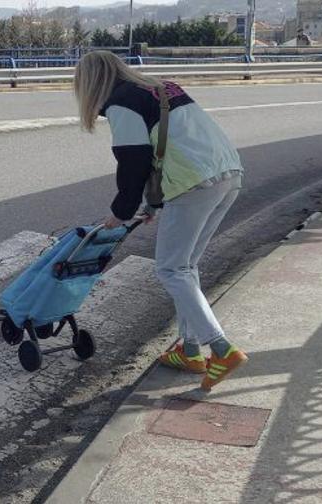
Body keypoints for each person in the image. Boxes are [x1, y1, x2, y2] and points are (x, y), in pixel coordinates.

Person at [73, 51, 248, 391]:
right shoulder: (162, 87)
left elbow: (134, 162)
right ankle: (191, 351)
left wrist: (121, 212)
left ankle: (222, 349)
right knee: (186, 266)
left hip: (193, 183)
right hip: (227, 172)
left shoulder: (122, 103)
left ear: (91, 83)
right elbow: (166, 146)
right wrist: (153, 203)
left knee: (170, 270)